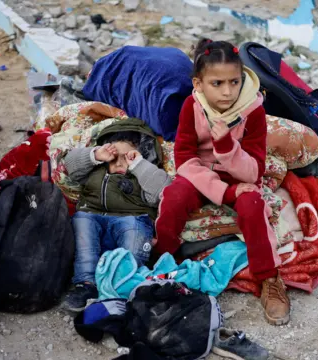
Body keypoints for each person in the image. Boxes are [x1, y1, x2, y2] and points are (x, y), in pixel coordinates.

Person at [154, 39, 290, 326]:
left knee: (253, 204)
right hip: (200, 174)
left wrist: (228, 147)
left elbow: (254, 171)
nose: (228, 91)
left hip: (239, 173)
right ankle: (161, 260)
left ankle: (269, 279)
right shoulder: (192, 105)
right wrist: (224, 192)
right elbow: (185, 159)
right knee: (174, 196)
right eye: (217, 83)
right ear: (199, 83)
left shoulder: (253, 110)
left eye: (234, 81)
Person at [62, 119, 172, 312]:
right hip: (93, 218)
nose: (119, 162)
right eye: (114, 156)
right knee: (81, 219)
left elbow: (162, 190)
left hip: (131, 220)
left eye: (127, 157)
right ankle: (86, 285)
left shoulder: (142, 174)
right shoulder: (95, 170)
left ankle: (125, 282)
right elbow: (70, 164)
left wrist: (138, 165)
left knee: (134, 226)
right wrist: (96, 155)